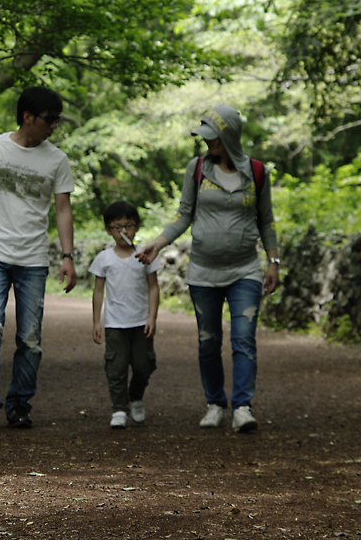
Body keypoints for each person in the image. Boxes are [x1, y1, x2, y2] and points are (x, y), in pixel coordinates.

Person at [137, 105, 279, 433]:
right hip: (203, 271)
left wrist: (273, 262)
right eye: (205, 139)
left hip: (245, 269)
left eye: (213, 138)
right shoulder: (197, 168)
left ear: (229, 135)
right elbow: (183, 214)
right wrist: (157, 243)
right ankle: (215, 403)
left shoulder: (257, 172)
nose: (208, 144)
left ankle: (242, 406)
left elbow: (266, 220)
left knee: (244, 339)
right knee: (207, 340)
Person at [0, 86, 77, 430]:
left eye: (56, 120)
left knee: (30, 338)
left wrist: (68, 256)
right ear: (27, 117)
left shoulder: (57, 159)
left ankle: (20, 404)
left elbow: (63, 209)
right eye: (48, 119)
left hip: (34, 258)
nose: (54, 126)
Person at [90, 201, 162, 429]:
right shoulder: (104, 258)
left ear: (138, 227)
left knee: (143, 365)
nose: (123, 232)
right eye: (117, 227)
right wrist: (96, 321)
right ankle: (119, 408)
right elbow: (98, 290)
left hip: (141, 322)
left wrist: (152, 317)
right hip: (115, 323)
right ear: (108, 230)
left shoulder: (145, 255)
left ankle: (136, 397)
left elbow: (153, 287)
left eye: (128, 226)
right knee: (116, 367)